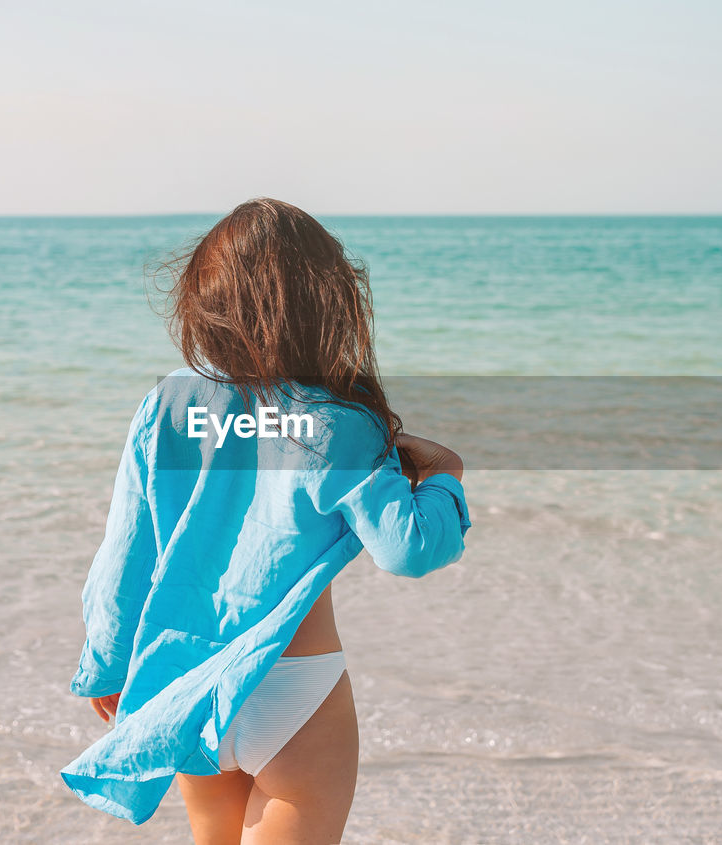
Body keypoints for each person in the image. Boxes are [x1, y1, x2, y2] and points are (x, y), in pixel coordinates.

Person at [60, 197, 471, 844]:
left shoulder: (167, 405)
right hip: (296, 692)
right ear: (325, 301)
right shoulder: (338, 423)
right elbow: (409, 548)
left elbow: (124, 554)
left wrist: (106, 664)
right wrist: (444, 473)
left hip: (190, 685)